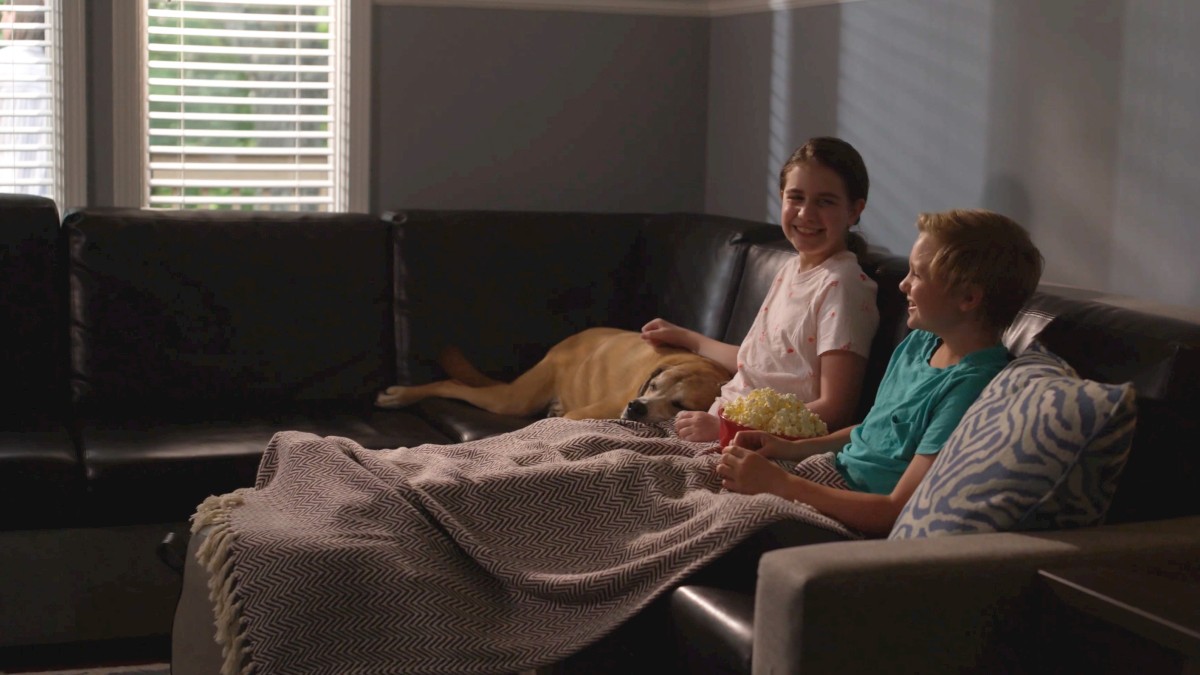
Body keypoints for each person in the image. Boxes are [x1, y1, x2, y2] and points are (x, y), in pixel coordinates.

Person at [717, 208, 1045, 536]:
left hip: (853, 512)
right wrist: (788, 447)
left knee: (720, 517)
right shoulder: (920, 343)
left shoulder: (971, 387)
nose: (903, 284)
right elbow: (875, 431)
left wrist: (781, 485)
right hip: (828, 473)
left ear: (969, 297)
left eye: (918, 275)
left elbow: (894, 510)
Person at [641, 136, 880, 442]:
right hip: (714, 422)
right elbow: (762, 361)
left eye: (825, 201)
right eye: (796, 197)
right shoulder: (791, 269)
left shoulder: (842, 286)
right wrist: (688, 339)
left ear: (854, 210)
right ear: (781, 197)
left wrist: (727, 431)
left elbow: (835, 410)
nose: (806, 214)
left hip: (751, 444)